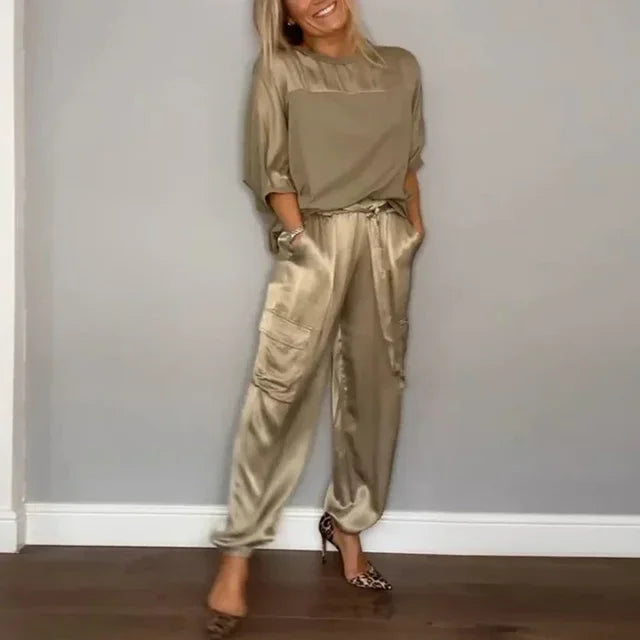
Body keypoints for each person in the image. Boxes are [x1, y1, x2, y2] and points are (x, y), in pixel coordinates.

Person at [206, 0, 426, 637]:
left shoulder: (402, 67)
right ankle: (238, 555)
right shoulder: (280, 69)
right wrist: (304, 240)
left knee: (375, 390)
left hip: (385, 238)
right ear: (284, 12)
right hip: (317, 240)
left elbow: (409, 160)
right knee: (279, 391)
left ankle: (349, 529)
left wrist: (413, 230)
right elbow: (270, 169)